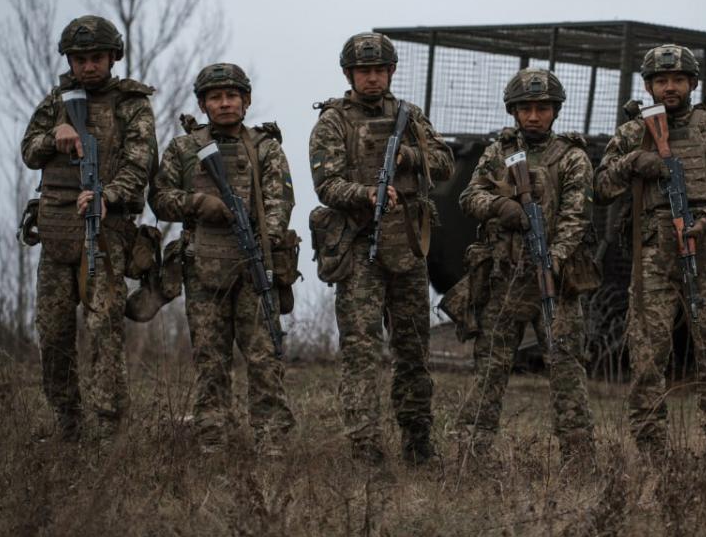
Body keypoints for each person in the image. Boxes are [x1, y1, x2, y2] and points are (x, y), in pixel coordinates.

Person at [594, 44, 706, 460]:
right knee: (647, 354)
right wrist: (634, 162)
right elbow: (601, 188)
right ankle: (651, 448)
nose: (670, 87)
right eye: (661, 81)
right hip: (653, 255)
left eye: (678, 80)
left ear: (693, 83)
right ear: (648, 86)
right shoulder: (632, 133)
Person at [309, 32, 454, 465]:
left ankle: (418, 443)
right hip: (359, 249)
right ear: (349, 74)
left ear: (390, 71)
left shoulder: (409, 115)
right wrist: (366, 194)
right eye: (363, 71)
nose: (372, 78)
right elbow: (326, 184)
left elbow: (445, 162)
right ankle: (365, 446)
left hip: (407, 247)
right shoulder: (333, 121)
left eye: (378, 70)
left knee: (413, 351)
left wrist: (410, 156)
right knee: (361, 352)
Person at [20, 15, 157, 442]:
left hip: (106, 230)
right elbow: (29, 151)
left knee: (103, 329)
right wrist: (54, 136)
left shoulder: (131, 104)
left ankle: (107, 428)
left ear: (113, 57)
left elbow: (140, 165)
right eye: (80, 59)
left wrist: (107, 195)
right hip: (58, 227)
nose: (88, 66)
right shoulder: (56, 100)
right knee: (53, 330)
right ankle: (68, 422)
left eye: (96, 57)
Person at [454, 68, 598, 465]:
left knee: (566, 368)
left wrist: (554, 258)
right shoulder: (497, 153)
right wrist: (501, 206)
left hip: (556, 280)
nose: (534, 116)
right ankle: (471, 456)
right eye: (526, 109)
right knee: (490, 366)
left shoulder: (572, 157)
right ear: (514, 111)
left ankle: (579, 458)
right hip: (505, 276)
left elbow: (576, 217)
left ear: (555, 111)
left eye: (542, 109)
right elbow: (469, 197)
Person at [151, 63, 296, 453]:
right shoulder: (184, 149)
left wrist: (264, 242)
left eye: (232, 96)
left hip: (254, 267)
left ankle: (271, 441)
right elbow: (160, 199)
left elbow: (280, 203)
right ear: (202, 104)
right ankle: (212, 438)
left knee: (264, 358)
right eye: (215, 97)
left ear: (246, 101)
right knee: (210, 358)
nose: (225, 103)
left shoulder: (265, 147)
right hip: (204, 268)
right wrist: (197, 203)